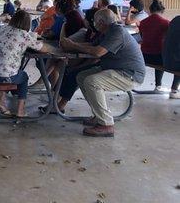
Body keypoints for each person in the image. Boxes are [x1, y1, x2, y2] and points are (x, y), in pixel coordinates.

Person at [60, 9, 145, 137]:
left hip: (129, 74)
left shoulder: (117, 32)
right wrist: (71, 44)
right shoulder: (106, 31)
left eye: (95, 21)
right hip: (116, 69)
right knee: (82, 76)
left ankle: (106, 124)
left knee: (92, 81)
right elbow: (91, 45)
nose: (93, 23)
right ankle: (99, 115)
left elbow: (98, 52)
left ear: (100, 22)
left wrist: (73, 45)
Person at [0, 10, 48, 118]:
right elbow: (43, 49)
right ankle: (20, 110)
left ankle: (2, 103)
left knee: (8, 70)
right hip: (0, 77)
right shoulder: (24, 35)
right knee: (23, 76)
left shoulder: (2, 28)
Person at [139, 0, 178, 97]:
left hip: (144, 56)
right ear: (162, 11)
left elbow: (142, 37)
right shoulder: (165, 23)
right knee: (176, 60)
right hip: (159, 58)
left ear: (150, 10)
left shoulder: (143, 22)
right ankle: (174, 90)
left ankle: (159, 85)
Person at [163, 16, 180, 99]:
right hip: (175, 63)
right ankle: (174, 90)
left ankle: (174, 90)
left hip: (167, 60)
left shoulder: (175, 19)